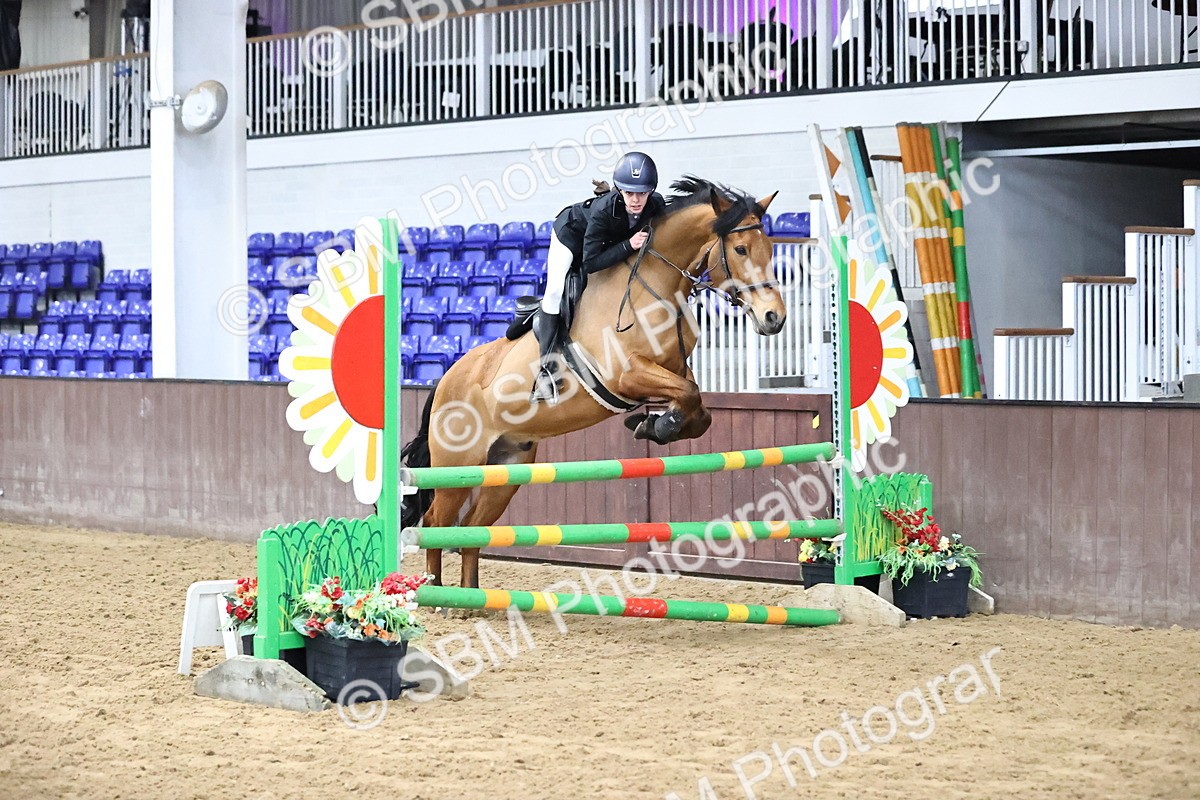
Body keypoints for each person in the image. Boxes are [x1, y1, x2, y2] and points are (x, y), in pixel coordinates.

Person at [531, 151, 667, 404]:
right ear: (619, 190)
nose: (636, 200)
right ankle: (546, 370)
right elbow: (591, 262)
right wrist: (628, 245)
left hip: (606, 242)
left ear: (651, 191)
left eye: (642, 193)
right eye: (629, 193)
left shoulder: (657, 204)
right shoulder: (603, 210)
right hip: (571, 236)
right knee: (553, 292)